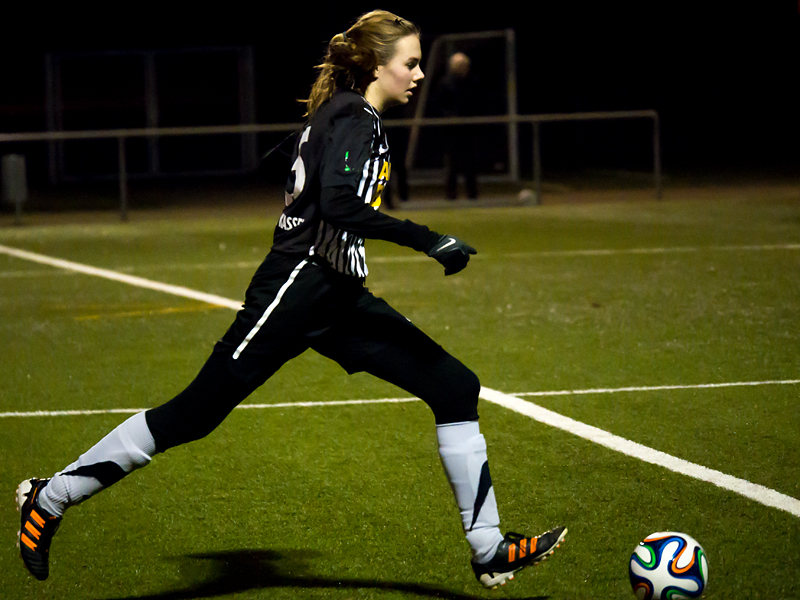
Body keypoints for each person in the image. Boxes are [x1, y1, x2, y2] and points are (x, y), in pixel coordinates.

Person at [16, 11, 566, 590]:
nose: (420, 73)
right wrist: (428, 239)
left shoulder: (350, 114)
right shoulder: (356, 115)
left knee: (455, 385)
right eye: (411, 62)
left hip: (339, 296)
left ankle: (487, 548)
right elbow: (337, 204)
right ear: (378, 66)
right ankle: (51, 498)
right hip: (296, 289)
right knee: (194, 415)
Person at [432, 52, 481, 200]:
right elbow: (437, 106)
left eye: (465, 65)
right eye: (460, 65)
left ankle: (472, 194)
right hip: (452, 131)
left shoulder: (473, 83)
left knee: (470, 163)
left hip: (468, 130)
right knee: (452, 163)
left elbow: (479, 103)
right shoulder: (445, 84)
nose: (463, 68)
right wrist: (450, 116)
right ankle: (451, 194)